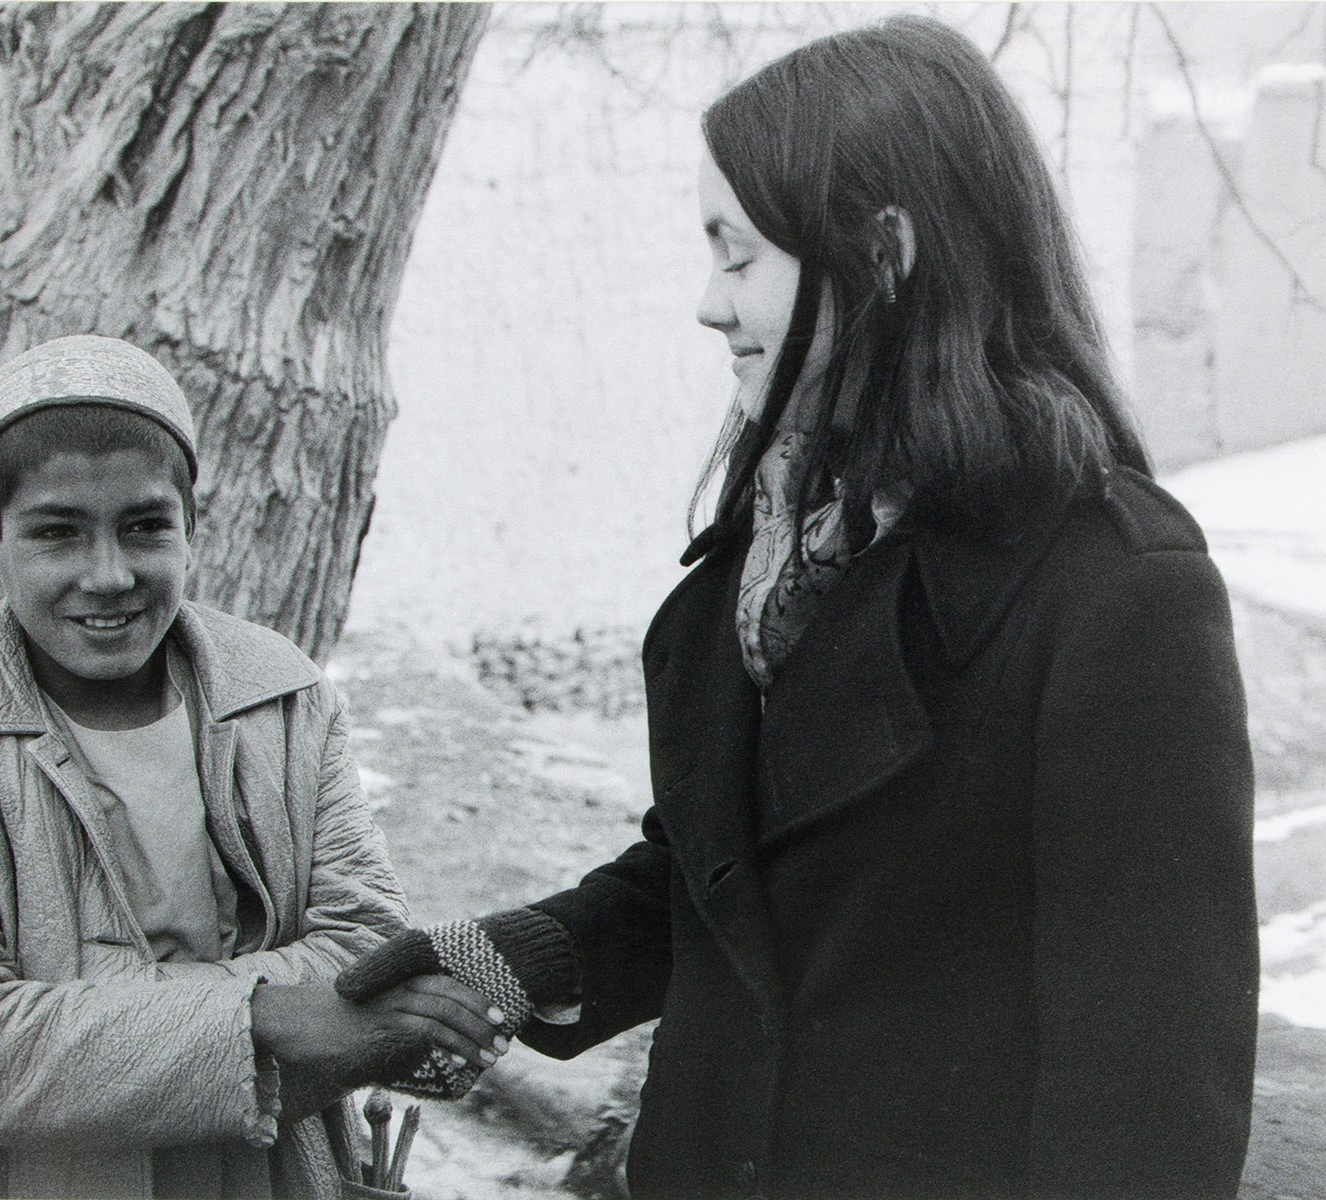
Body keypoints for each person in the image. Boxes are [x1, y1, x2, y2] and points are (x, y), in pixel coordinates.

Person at [338, 16, 1259, 1199]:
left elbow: (1145, 1100)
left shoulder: (1115, 593)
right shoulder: (779, 537)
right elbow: (725, 881)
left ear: (879, 253)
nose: (706, 306)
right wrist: (501, 964)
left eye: (735, 256)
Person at [0, 334, 504, 1200]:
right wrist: (265, 1014)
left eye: (144, 527)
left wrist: (104, 1029)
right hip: (38, 1178)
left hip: (269, 1166)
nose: (110, 575)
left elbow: (364, 949)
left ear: (192, 524)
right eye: (57, 533)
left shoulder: (279, 697)